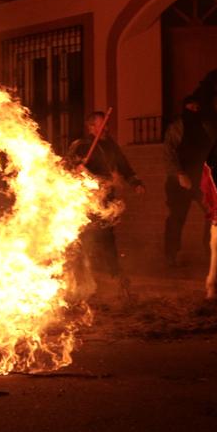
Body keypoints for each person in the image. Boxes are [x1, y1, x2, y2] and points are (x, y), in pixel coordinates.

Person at [68, 111, 144, 296]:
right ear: (91, 127)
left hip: (106, 200)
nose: (106, 128)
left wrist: (135, 182)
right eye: (101, 125)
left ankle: (115, 276)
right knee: (83, 239)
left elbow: (123, 166)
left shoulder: (111, 146)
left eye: (106, 125)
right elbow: (69, 167)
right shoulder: (81, 146)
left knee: (107, 238)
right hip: (86, 201)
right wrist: (79, 167)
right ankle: (77, 281)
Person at [161, 85, 217, 266]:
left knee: (213, 215)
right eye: (190, 108)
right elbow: (169, 153)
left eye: (196, 108)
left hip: (202, 181)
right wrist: (180, 174)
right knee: (176, 218)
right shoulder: (176, 128)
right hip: (179, 181)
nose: (194, 111)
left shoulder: (206, 126)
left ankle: (211, 253)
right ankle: (170, 255)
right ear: (184, 109)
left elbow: (216, 149)